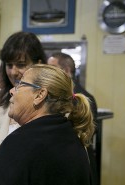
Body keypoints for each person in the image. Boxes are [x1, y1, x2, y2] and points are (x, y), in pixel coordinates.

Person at [0, 64, 95, 185]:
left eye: (20, 85)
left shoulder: (21, 142)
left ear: (39, 95)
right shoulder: (74, 138)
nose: (11, 91)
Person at [47, 52, 99, 185]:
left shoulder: (83, 99)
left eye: (52, 68)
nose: (48, 73)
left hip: (76, 163)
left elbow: (87, 133)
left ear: (66, 70)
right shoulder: (54, 96)